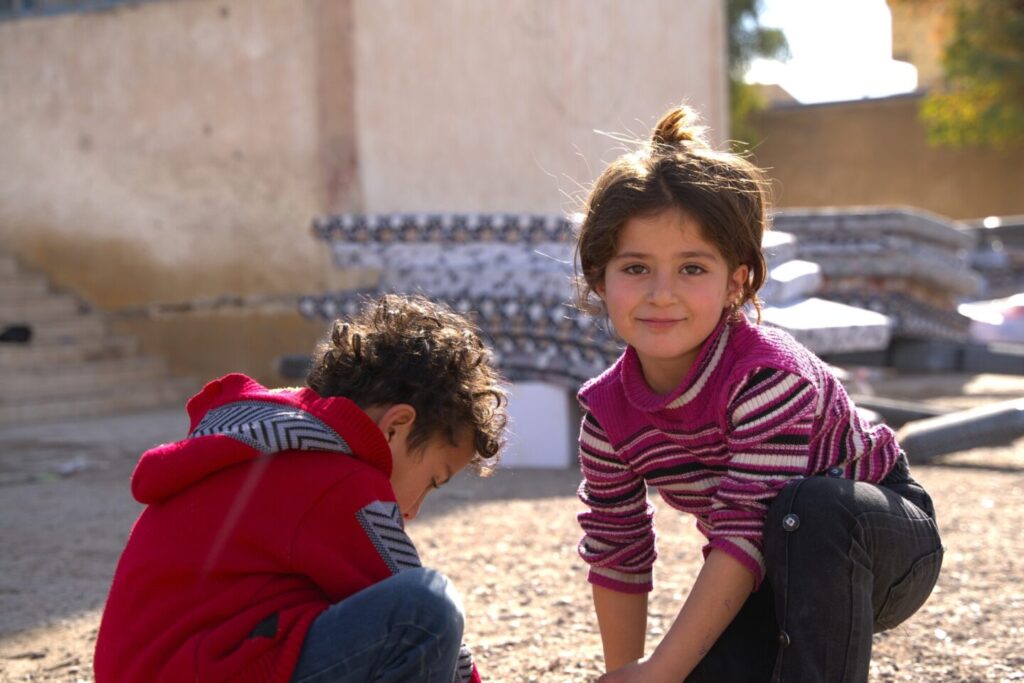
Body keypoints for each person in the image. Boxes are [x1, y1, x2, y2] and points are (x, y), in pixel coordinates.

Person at [572, 105, 943, 682]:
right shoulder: (606, 417)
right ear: (599, 277)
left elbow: (747, 525)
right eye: (636, 268)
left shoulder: (767, 376)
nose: (662, 294)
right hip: (766, 570)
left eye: (692, 268)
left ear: (735, 282)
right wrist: (630, 673)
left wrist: (662, 669)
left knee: (808, 509)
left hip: (881, 541)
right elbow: (616, 546)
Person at [94, 294, 507, 683]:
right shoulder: (337, 479)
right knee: (425, 606)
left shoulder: (267, 440)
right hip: (205, 668)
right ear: (396, 427)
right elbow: (416, 614)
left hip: (176, 666)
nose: (414, 509)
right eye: (433, 480)